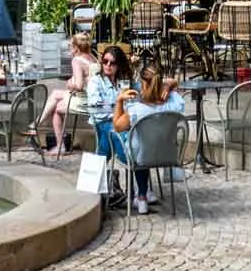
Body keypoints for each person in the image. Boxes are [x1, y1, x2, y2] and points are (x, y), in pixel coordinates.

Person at [111, 62, 186, 214]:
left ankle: (139, 196)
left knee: (121, 138)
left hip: (142, 156)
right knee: (140, 143)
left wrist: (119, 101)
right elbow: (174, 82)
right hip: (167, 155)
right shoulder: (175, 103)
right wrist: (168, 86)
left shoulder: (137, 110)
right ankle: (142, 194)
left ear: (143, 84)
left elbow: (117, 126)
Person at [43, 32, 98, 157]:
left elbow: (78, 86)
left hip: (83, 102)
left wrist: (70, 84)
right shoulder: (93, 58)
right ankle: (36, 124)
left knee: (56, 108)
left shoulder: (77, 61)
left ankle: (59, 145)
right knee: (56, 95)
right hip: (91, 98)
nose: (69, 49)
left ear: (76, 48)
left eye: (70, 46)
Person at [87, 45, 133, 167]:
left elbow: (140, 96)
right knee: (112, 130)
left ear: (119, 65)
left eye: (112, 63)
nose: (107, 65)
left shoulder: (124, 81)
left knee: (106, 144)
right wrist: (118, 108)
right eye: (105, 61)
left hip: (123, 121)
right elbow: (96, 106)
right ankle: (128, 158)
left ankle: (101, 173)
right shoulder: (96, 81)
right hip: (103, 121)